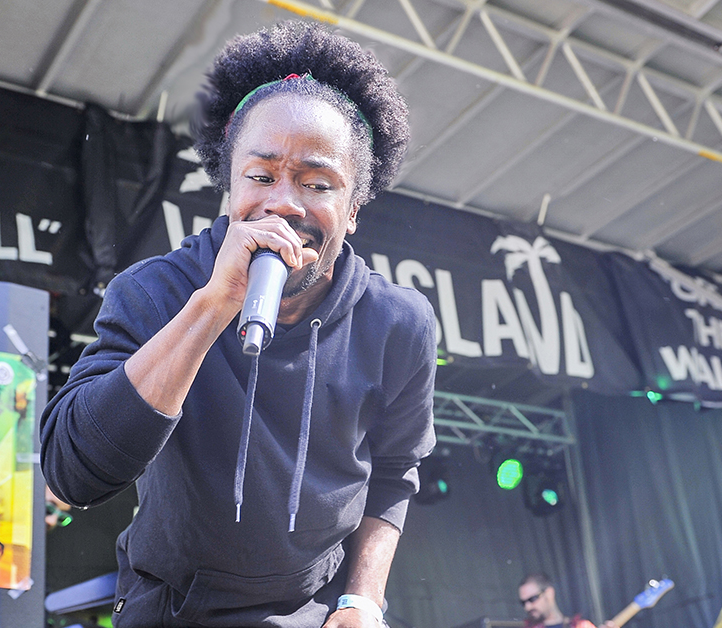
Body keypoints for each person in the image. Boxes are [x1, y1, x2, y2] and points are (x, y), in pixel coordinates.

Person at [40, 20, 435, 628]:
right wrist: (213, 304)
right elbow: (73, 473)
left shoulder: (398, 324)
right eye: (261, 176)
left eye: (317, 183)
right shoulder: (154, 291)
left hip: (311, 611)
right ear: (229, 187)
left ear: (353, 209)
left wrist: (362, 599)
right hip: (170, 609)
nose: (284, 202)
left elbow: (393, 472)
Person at [520, 573, 597, 628]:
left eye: (532, 599)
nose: (527, 607)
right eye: (523, 603)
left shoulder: (581, 626)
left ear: (549, 593)